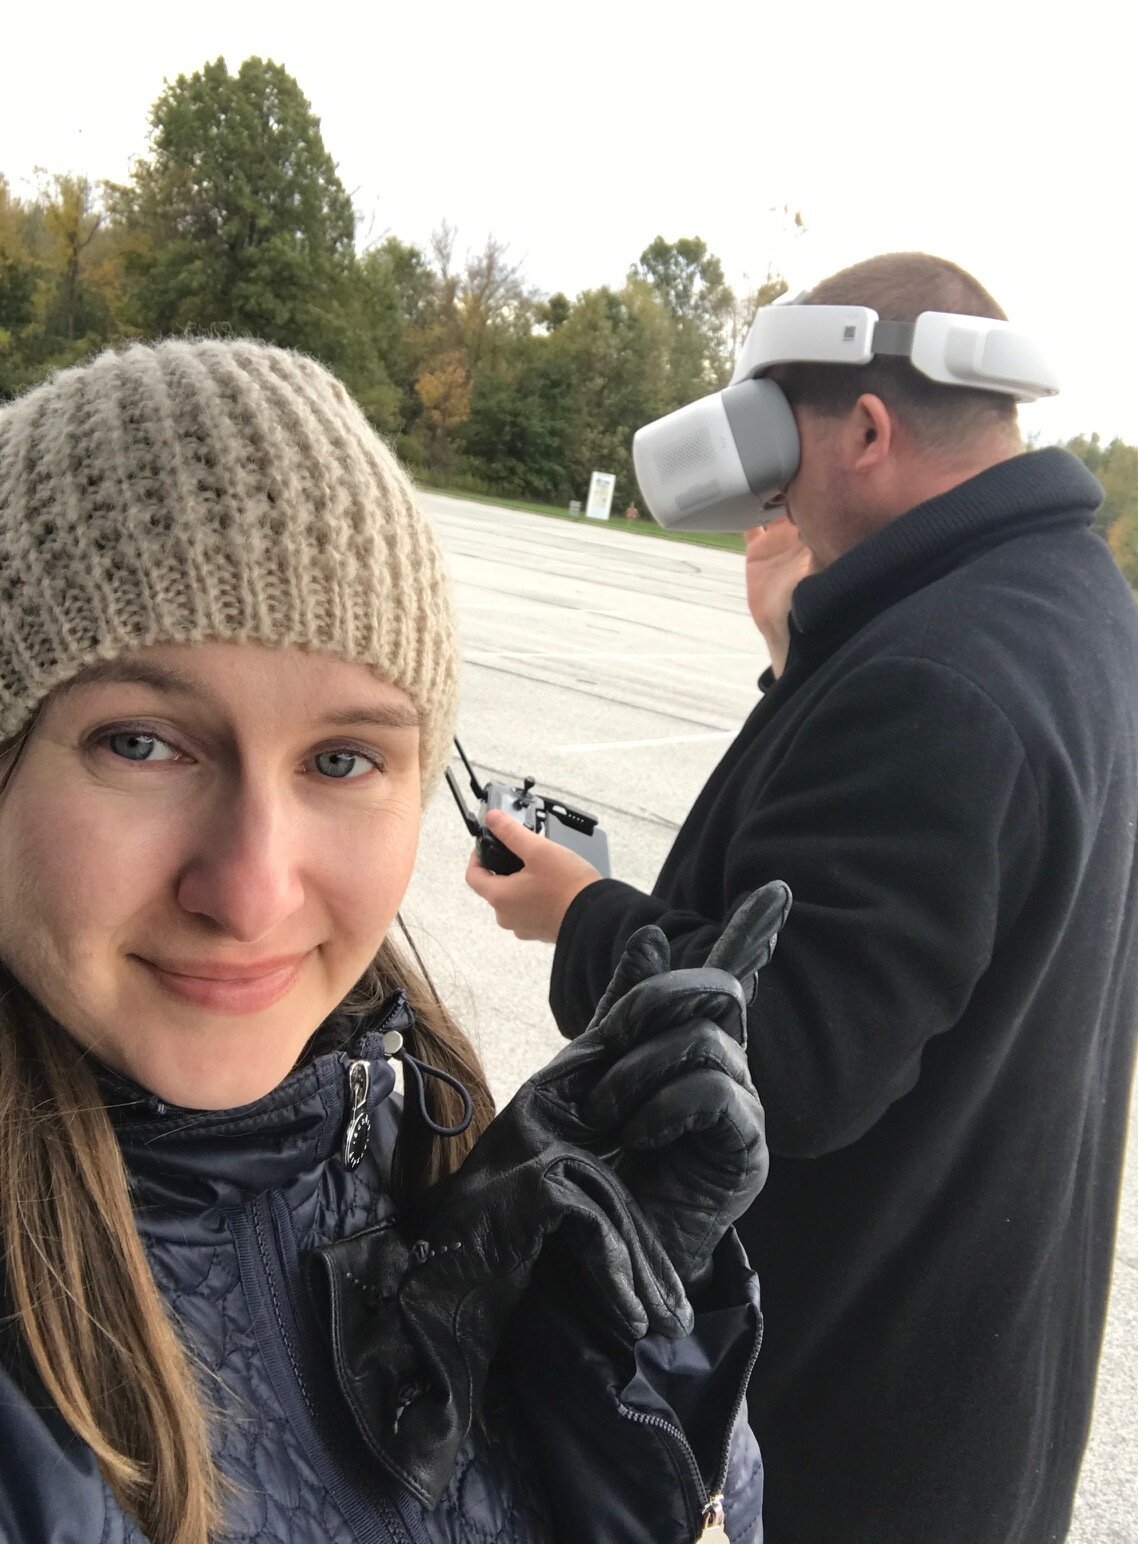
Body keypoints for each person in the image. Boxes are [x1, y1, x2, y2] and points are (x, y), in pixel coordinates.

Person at [0, 338, 776, 1544]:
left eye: (342, 757)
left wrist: (612, 1367)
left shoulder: (409, 1124)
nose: (251, 891)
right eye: (140, 741)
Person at [465, 253, 1138, 1542]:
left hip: (846, 1428)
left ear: (869, 427)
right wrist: (810, 650)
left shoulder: (939, 678)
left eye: (779, 443)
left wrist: (579, 911)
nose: (770, 491)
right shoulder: (1076, 617)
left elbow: (779, 1057)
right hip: (970, 1393)